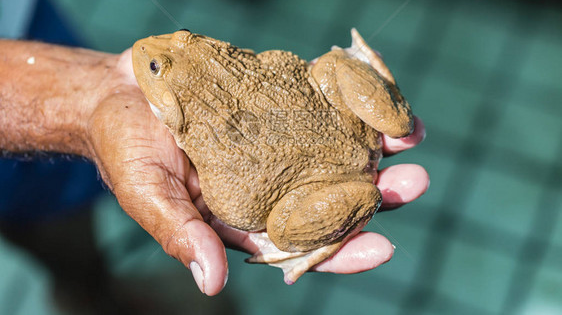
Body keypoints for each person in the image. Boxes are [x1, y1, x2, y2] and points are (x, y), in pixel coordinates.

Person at [0, 38, 429, 295]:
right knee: (336, 65)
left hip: (317, 180)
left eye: (183, 38)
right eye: (155, 66)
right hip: (341, 130)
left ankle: (91, 289)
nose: (153, 43)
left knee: (280, 231)